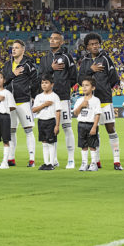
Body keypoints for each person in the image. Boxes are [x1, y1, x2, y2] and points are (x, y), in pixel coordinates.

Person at [78, 33, 122, 170]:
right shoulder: (85, 61)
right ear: (87, 47)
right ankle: (96, 161)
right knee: (93, 131)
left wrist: (104, 87)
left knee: (110, 129)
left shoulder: (106, 59)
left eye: (96, 43)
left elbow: (114, 78)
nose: (95, 46)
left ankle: (117, 161)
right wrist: (90, 70)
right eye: (91, 44)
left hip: (104, 100)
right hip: (90, 102)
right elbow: (79, 79)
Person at [39, 31, 78, 169]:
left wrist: (65, 87)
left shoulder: (67, 57)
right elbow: (41, 76)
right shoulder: (44, 59)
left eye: (56, 39)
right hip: (48, 99)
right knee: (51, 129)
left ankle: (71, 160)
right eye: (51, 38)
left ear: (61, 42)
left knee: (67, 127)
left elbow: (74, 77)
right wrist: (51, 68)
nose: (52, 40)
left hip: (62, 98)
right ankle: (53, 160)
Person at [4, 40, 38, 167]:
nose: (13, 50)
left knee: (28, 130)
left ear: (23, 50)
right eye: (13, 48)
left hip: (23, 101)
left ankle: (32, 159)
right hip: (10, 102)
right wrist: (13, 74)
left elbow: (35, 82)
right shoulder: (7, 65)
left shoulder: (28, 65)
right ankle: (11, 158)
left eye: (17, 48)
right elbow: (3, 80)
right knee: (11, 131)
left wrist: (33, 96)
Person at [32, 75, 61, 171]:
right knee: (44, 142)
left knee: (51, 142)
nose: (44, 85)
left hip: (51, 121)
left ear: (52, 84)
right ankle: (46, 162)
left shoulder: (55, 97)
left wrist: (57, 125)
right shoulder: (38, 97)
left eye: (46, 83)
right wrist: (44, 105)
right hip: (41, 121)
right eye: (42, 83)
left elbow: (58, 111)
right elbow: (34, 110)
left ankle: (52, 163)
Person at [73, 77, 101, 172]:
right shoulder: (79, 100)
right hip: (81, 124)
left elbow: (97, 114)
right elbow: (76, 113)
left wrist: (94, 127)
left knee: (92, 145)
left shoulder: (96, 100)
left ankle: (93, 163)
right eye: (83, 86)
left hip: (91, 124)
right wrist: (81, 106)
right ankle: (84, 163)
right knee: (83, 145)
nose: (84, 87)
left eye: (87, 85)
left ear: (93, 88)